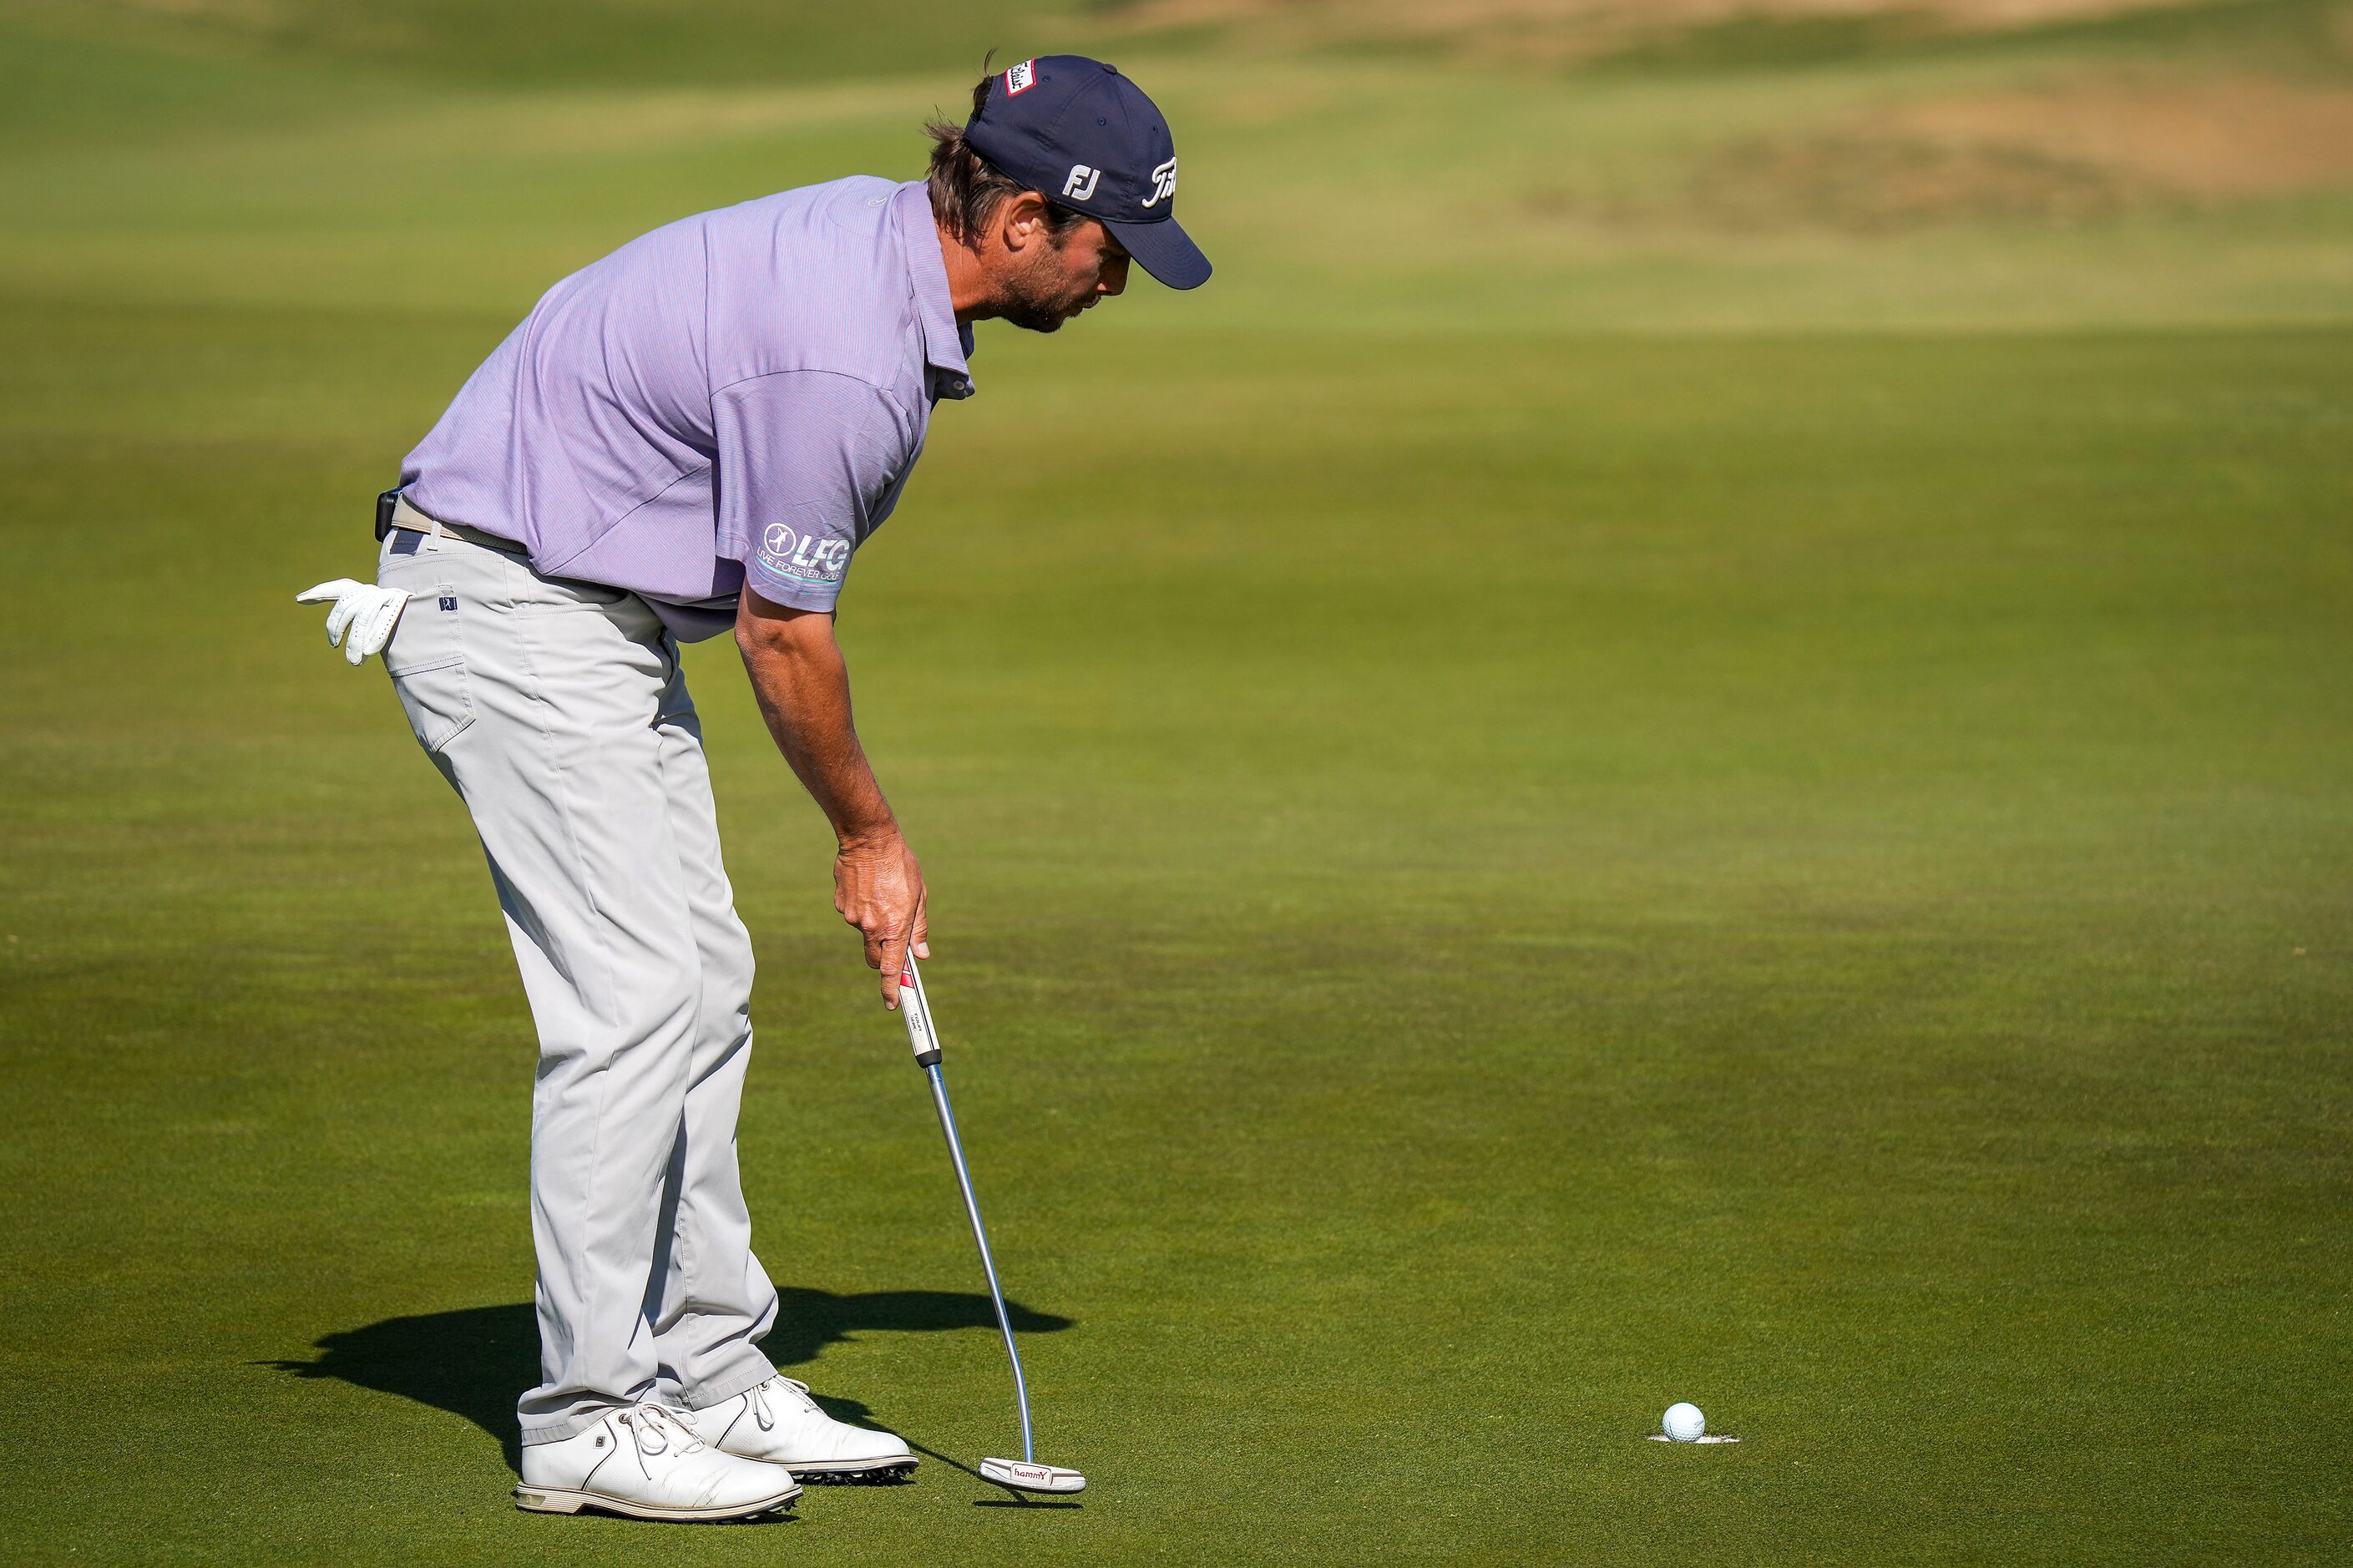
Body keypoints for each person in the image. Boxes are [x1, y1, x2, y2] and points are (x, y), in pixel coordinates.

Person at [295, 55, 1207, 1523]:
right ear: (1027, 219)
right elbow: (786, 636)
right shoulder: (844, 359)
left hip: (585, 609)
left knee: (701, 980)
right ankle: (587, 1415)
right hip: (507, 603)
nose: (1122, 281)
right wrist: (870, 834)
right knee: (636, 1001)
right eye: (1115, 249)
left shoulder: (879, 248)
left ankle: (707, 1369)